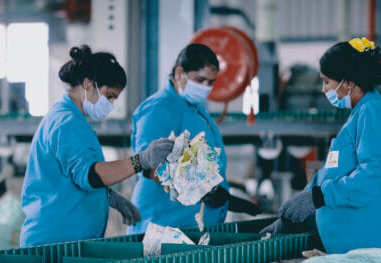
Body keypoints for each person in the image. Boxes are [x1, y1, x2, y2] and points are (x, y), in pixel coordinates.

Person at [20, 46, 174, 246]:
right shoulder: (67, 122)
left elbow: (71, 175)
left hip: (64, 241)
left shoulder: (70, 118)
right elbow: (90, 175)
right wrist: (142, 160)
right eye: (109, 95)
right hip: (54, 243)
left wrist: (107, 196)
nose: (111, 104)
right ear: (88, 84)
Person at [271, 37, 381, 254]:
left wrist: (319, 197)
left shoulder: (373, 114)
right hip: (355, 245)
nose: (324, 89)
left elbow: (372, 177)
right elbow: (330, 173)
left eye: (327, 81)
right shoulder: (359, 114)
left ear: (349, 82)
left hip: (371, 242)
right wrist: (296, 208)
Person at [128, 43, 260, 233]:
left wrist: (224, 198)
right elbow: (149, 167)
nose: (206, 87)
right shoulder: (157, 109)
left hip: (190, 227)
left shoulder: (195, 109)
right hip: (163, 225)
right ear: (180, 72)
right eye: (200, 79)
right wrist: (205, 191)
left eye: (210, 82)